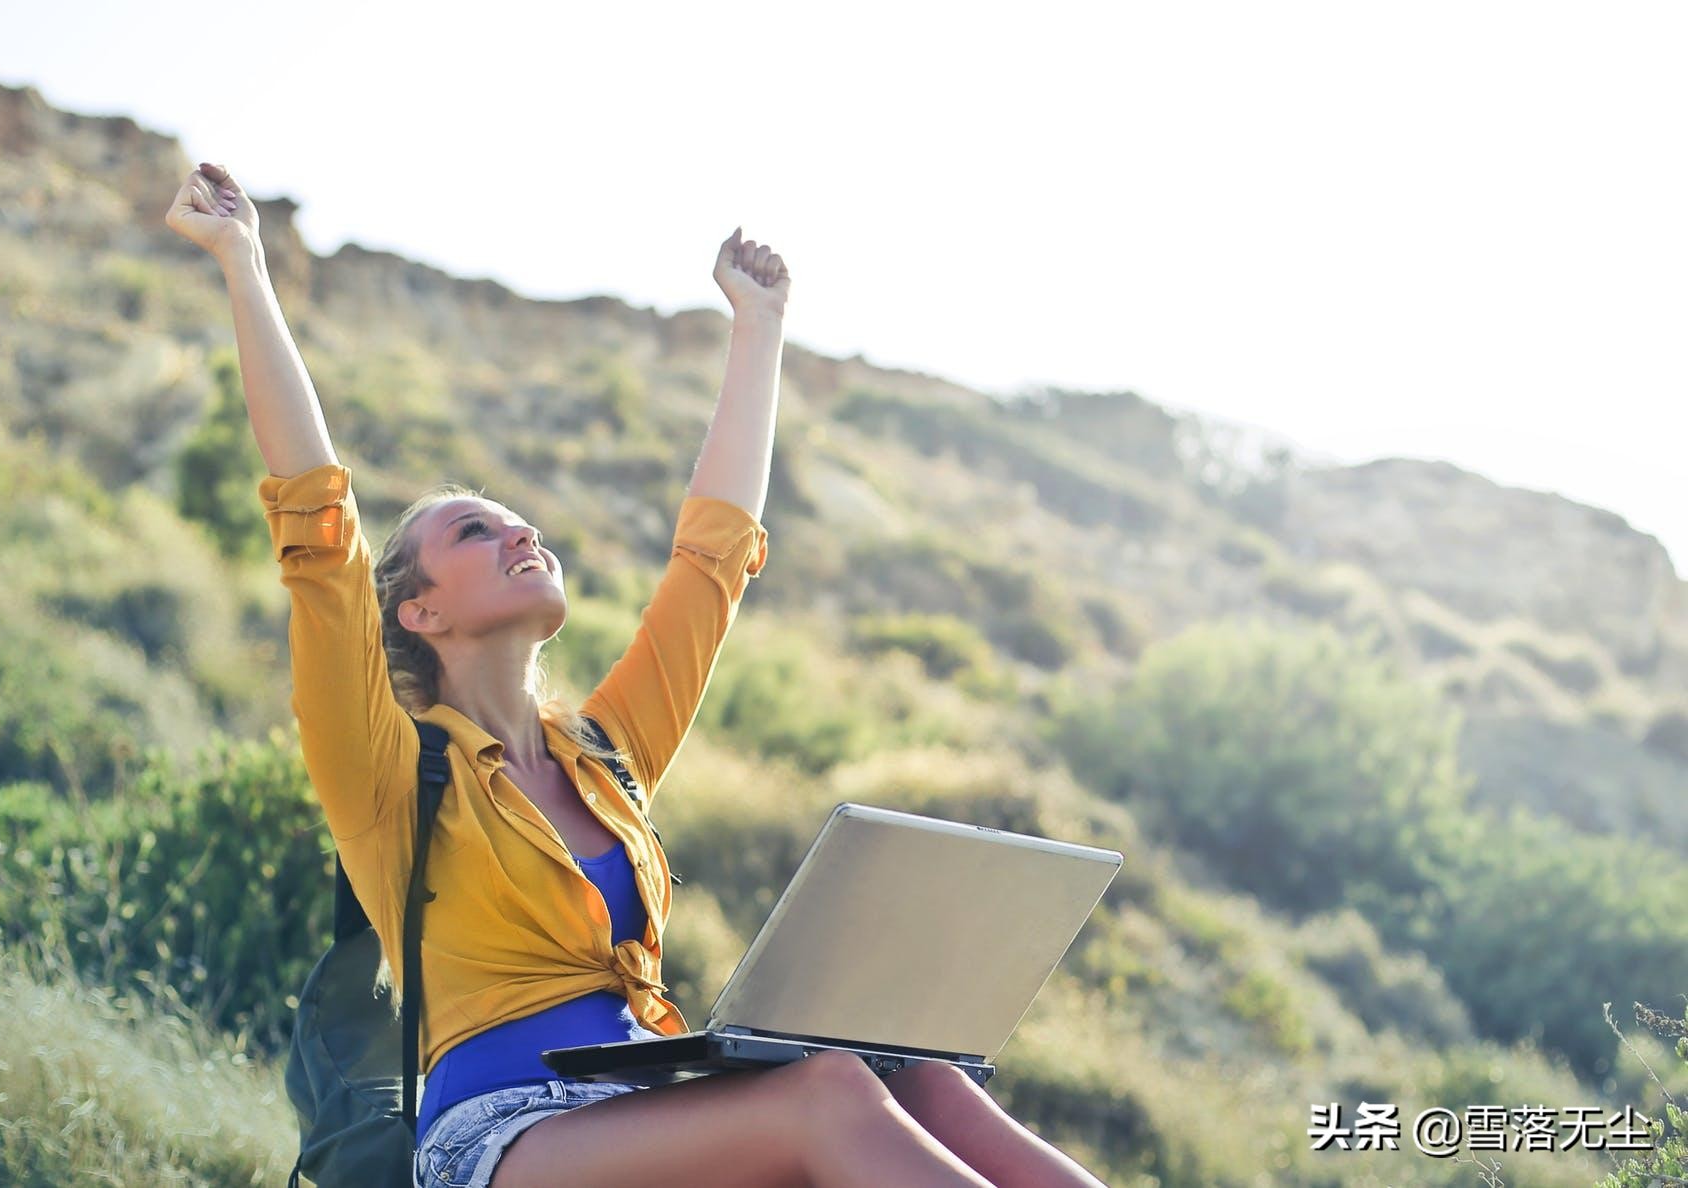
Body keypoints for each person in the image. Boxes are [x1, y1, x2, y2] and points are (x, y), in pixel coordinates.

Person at [164, 161, 1107, 1188]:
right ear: (419, 612)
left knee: (909, 1068)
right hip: (500, 1139)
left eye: (518, 520)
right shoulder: (389, 773)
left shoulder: (605, 757)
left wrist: (758, 328)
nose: (520, 530)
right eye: (475, 532)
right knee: (828, 1096)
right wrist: (245, 265)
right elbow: (320, 540)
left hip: (646, 1105)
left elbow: (710, 569)